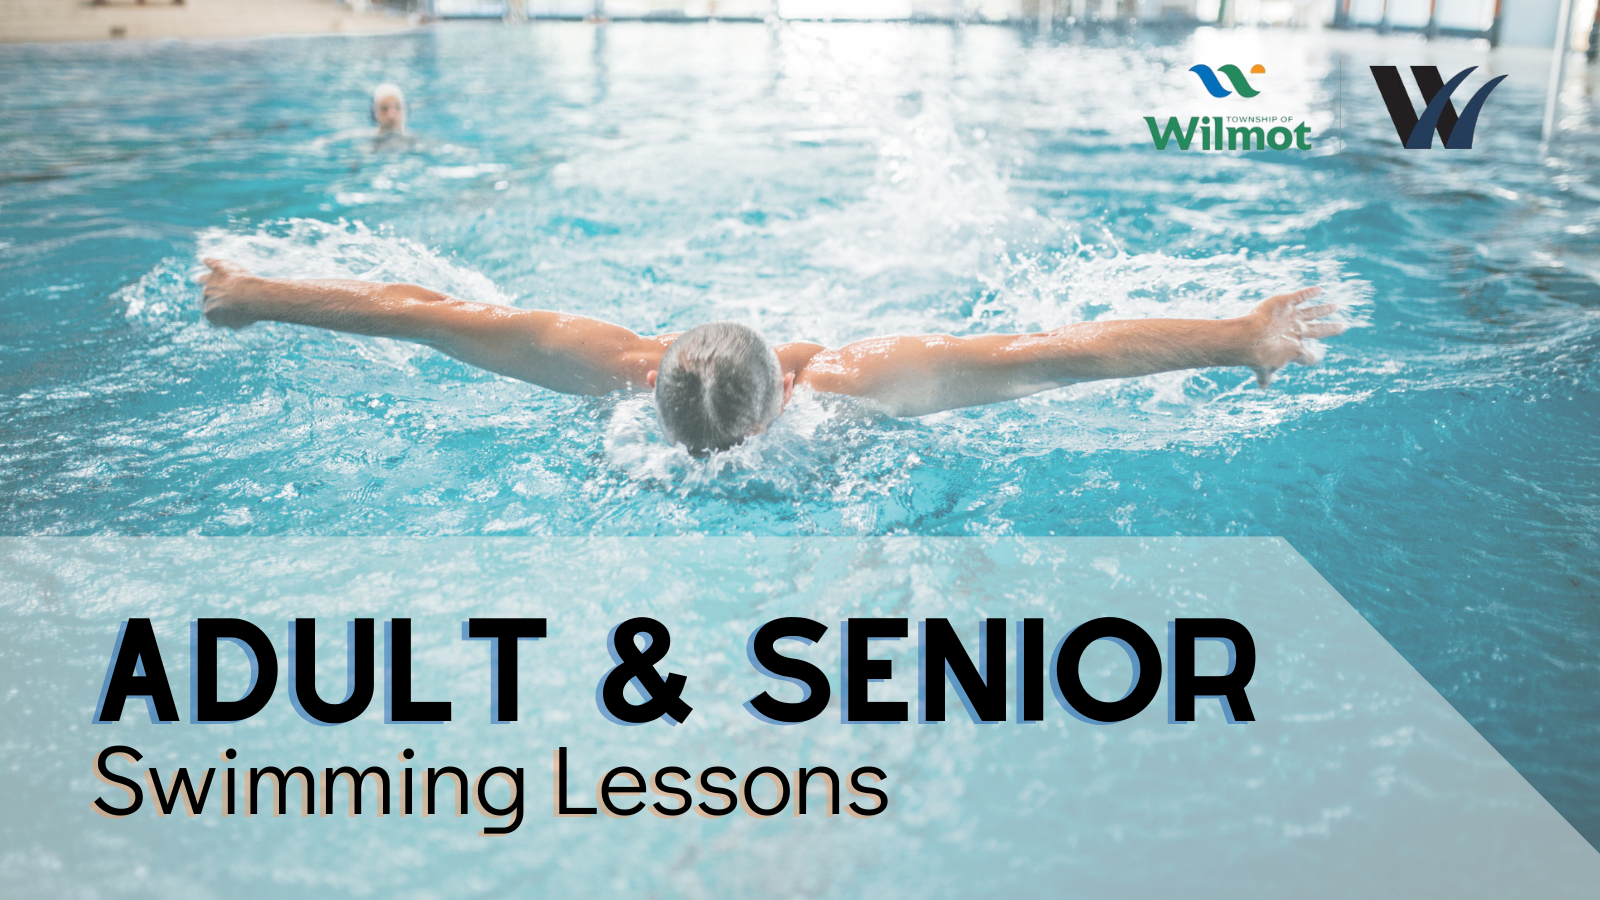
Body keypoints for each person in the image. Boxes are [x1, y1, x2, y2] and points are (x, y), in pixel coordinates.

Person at [198, 258, 1348, 456]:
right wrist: (1236, 333)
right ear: (782, 385)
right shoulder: (849, 385)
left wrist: (251, 296)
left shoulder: (595, 365)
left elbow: (413, 311)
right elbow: (1059, 355)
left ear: (654, 378)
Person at [369, 83, 414, 151]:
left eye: (397, 107)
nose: (391, 115)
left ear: (404, 111)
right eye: (384, 109)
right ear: (375, 114)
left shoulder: (414, 141)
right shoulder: (366, 140)